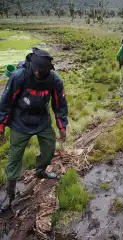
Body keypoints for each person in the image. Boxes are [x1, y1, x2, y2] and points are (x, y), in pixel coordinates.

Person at [0, 48, 68, 211]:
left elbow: (59, 105)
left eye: (41, 70)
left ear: (48, 69)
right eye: (35, 68)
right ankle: (10, 194)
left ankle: (40, 171)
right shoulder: (18, 77)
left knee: (49, 148)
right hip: (20, 121)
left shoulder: (54, 80)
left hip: (42, 120)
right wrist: (1, 126)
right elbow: (5, 103)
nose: (37, 72)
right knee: (15, 156)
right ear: (31, 65)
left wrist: (62, 126)